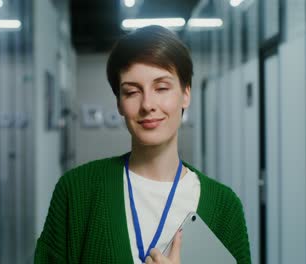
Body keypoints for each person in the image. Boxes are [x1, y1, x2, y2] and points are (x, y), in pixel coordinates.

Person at [34, 25, 251, 264]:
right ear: (119, 103)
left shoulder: (225, 207)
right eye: (132, 92)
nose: (148, 104)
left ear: (186, 93)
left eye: (161, 88)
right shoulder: (77, 191)